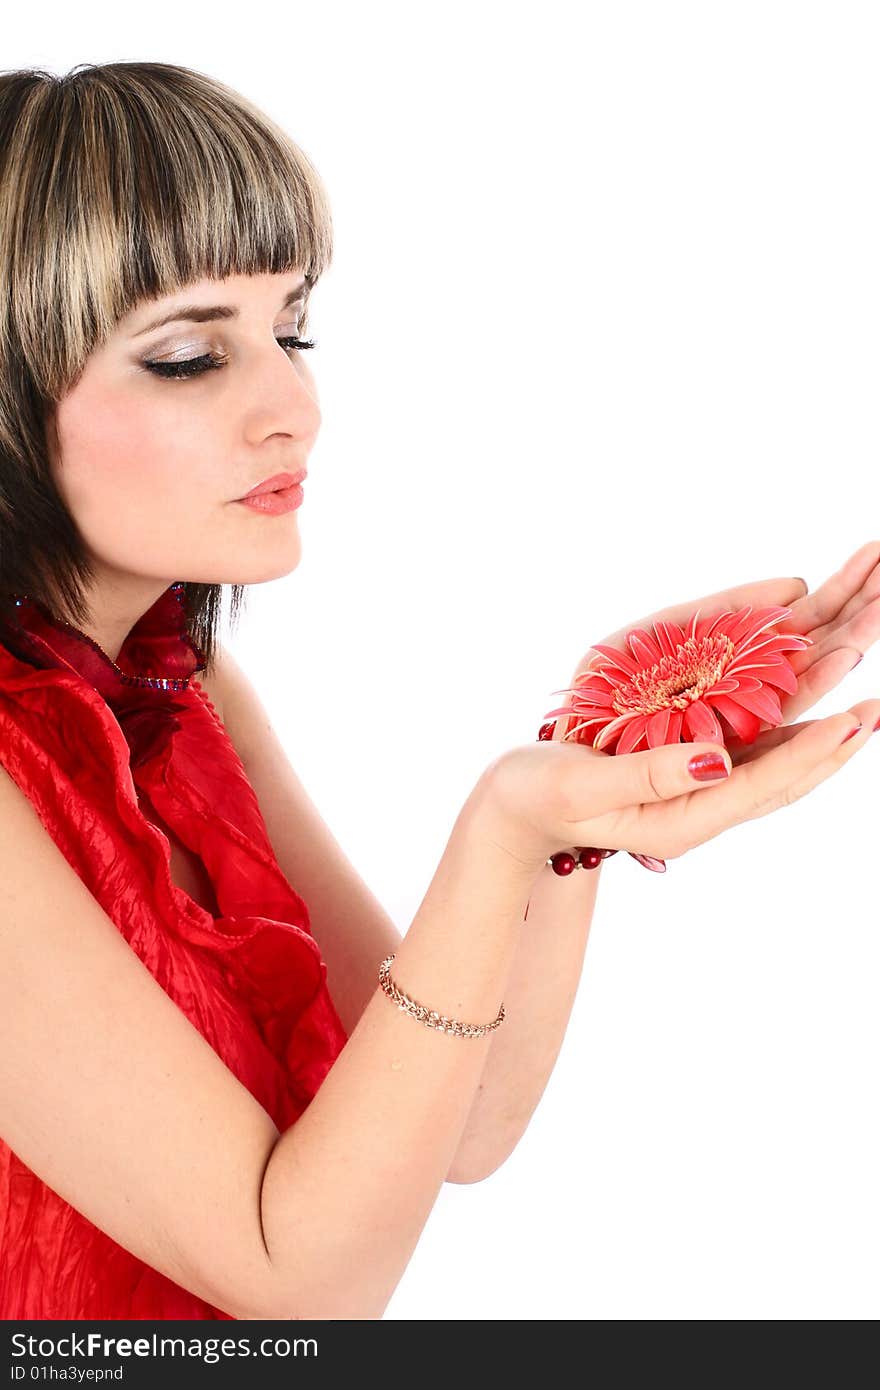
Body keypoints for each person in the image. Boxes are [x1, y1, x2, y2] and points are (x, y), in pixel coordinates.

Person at [0, 60, 878, 1323]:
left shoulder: (179, 682)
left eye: (291, 330)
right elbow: (299, 1276)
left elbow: (453, 1124)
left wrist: (584, 780)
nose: (293, 407)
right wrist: (501, 828)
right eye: (191, 355)